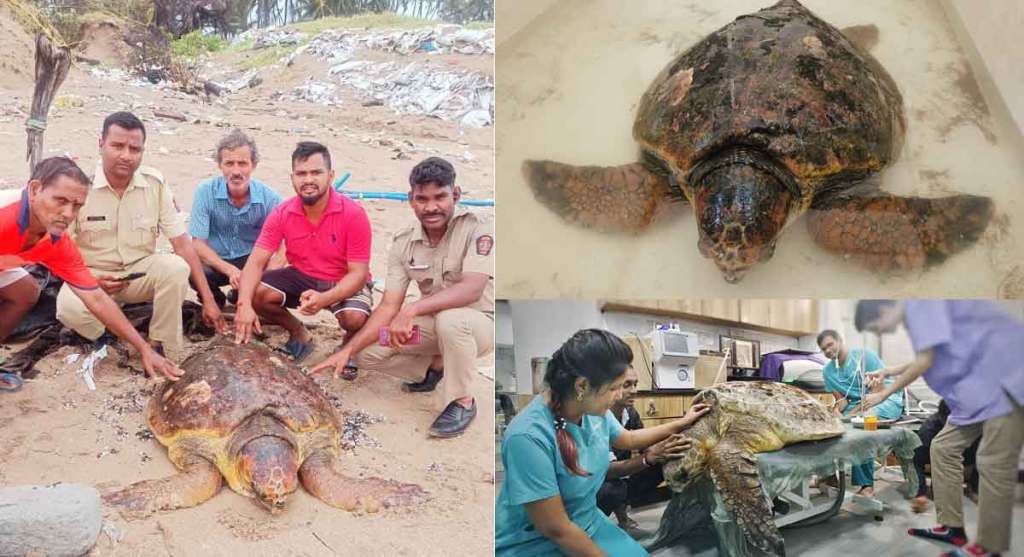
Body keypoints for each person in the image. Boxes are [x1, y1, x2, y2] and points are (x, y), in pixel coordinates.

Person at [311, 157, 493, 438]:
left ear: (455, 194)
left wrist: (413, 309)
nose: (431, 207)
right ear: (411, 199)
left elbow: (472, 288)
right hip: (433, 329)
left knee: (452, 321)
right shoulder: (404, 241)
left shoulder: (478, 227)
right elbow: (387, 306)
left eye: (440, 197)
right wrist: (347, 351)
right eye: (422, 199)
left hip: (479, 325)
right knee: (368, 351)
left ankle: (462, 401)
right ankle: (433, 368)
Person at [494, 329, 711, 556]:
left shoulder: (590, 409)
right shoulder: (528, 437)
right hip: (535, 540)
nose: (620, 395)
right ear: (582, 386)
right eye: (614, 388)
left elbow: (628, 439)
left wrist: (682, 423)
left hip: (586, 519)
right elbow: (556, 529)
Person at [855, 300, 1024, 557]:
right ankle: (952, 527)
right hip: (976, 394)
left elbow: (926, 360)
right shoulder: (919, 317)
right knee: (943, 447)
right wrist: (888, 370)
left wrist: (884, 393)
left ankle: (990, 548)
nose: (879, 333)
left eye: (875, 328)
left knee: (992, 461)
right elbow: (931, 354)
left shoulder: (921, 304)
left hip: (1007, 379)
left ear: (882, 311)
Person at [56, 112, 226, 360]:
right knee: (68, 309)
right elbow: (60, 254)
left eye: (134, 148)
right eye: (117, 146)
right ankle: (108, 335)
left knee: (177, 268)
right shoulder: (80, 187)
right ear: (100, 144)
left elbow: (181, 243)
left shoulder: (154, 184)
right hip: (91, 277)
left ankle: (161, 344)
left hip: (138, 275)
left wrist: (208, 300)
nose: (126, 155)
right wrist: (92, 280)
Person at [0, 156, 180, 380]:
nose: (68, 213)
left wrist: (144, 349)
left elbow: (96, 298)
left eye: (77, 205)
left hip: (6, 262)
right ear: (35, 189)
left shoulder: (57, 240)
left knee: (26, 292)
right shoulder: (5, 217)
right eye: (60, 200)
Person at [233, 141, 372, 362]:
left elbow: (359, 274)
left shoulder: (353, 214)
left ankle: (347, 346)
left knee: (354, 318)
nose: (308, 180)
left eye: (316, 172)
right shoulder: (282, 213)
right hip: (302, 276)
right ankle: (299, 332)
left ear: (331, 175)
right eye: (301, 173)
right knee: (254, 293)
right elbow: (256, 261)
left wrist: (325, 298)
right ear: (292, 178)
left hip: (341, 279)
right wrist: (244, 305)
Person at [188, 129, 283, 308]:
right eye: (229, 163)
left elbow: (285, 242)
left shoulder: (270, 198)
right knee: (189, 267)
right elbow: (198, 243)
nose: (236, 171)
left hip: (253, 259)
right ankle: (214, 299)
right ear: (219, 165)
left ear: (253, 165)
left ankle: (241, 295)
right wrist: (229, 269)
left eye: (242, 163)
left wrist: (270, 272)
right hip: (216, 259)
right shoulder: (205, 192)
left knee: (279, 275)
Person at [816, 329, 904, 497]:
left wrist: (852, 415)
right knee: (826, 424)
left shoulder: (864, 356)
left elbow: (879, 391)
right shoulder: (828, 372)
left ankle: (866, 485)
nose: (827, 350)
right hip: (856, 405)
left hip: (884, 399)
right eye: (823, 349)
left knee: (862, 424)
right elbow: (842, 400)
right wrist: (835, 411)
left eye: (830, 345)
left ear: (839, 340)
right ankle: (828, 476)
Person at [597, 366, 680, 530]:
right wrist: (646, 459)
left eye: (635, 384)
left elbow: (645, 445)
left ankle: (623, 513)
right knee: (612, 489)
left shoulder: (630, 413)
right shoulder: (597, 418)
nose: (634, 390)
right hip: (601, 481)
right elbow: (606, 470)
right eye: (627, 385)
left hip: (624, 474)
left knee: (662, 462)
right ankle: (596, 522)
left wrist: (669, 446)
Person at [911, 400, 980, 514]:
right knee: (940, 496)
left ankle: (973, 487)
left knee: (985, 451)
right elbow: (917, 462)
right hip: (939, 457)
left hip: (964, 453)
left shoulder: (974, 425)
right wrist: (920, 493)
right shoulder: (928, 430)